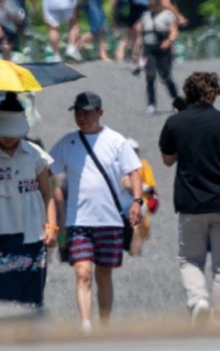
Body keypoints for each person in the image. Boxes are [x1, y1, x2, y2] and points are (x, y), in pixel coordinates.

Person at [48, 92, 143, 332]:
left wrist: (137, 201)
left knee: (103, 275)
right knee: (82, 272)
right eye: (78, 112)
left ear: (99, 113)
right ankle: (86, 324)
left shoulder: (115, 140)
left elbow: (134, 170)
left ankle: (104, 326)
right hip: (78, 220)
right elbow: (45, 169)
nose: (81, 116)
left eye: (86, 112)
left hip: (110, 220)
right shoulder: (67, 143)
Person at [159, 72, 220, 325]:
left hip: (191, 202)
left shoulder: (175, 124)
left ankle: (198, 300)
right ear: (213, 93)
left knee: (190, 259)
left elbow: (168, 160)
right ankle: (219, 321)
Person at [0, 95, 57, 307]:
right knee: (0, 299)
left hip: (33, 235)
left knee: (31, 299)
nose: (8, 138)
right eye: (4, 131)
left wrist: (51, 226)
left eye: (12, 131)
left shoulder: (36, 155)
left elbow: (47, 193)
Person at [137, 0, 180, 114]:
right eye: (150, 3)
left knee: (166, 76)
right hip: (149, 49)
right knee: (150, 75)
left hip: (163, 49)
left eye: (154, 3)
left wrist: (169, 41)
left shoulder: (167, 15)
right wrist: (137, 50)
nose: (152, 6)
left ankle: (177, 100)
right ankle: (151, 103)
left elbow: (174, 31)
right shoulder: (145, 16)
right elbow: (142, 34)